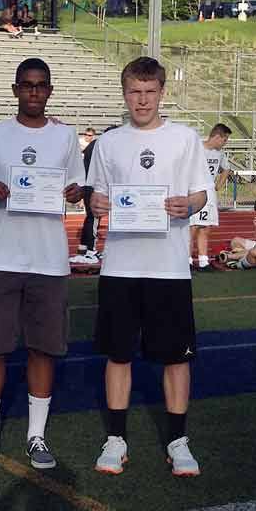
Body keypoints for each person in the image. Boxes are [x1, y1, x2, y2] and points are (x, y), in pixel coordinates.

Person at [0, 58, 84, 470]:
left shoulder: (66, 138)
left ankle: (36, 436)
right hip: (3, 259)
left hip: (49, 260)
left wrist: (73, 192)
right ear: (15, 89)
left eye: (41, 85)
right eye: (27, 85)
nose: (34, 92)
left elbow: (77, 189)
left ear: (50, 90)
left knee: (43, 350)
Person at [88, 57, 209, 477]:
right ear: (124, 93)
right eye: (134, 92)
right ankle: (116, 439)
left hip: (169, 267)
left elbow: (201, 194)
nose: (142, 100)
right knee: (118, 354)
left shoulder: (186, 138)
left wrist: (189, 204)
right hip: (120, 266)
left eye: (149, 92)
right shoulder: (109, 143)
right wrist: (95, 202)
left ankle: (178, 441)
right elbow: (96, 197)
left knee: (176, 358)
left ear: (161, 93)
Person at [70, 125, 119, 265]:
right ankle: (91, 251)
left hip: (88, 183)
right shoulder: (101, 145)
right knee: (94, 218)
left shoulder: (94, 144)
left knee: (90, 217)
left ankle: (83, 248)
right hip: (94, 185)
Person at [189, 123, 232, 271]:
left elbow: (226, 169)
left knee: (205, 227)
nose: (224, 143)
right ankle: (187, 261)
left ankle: (203, 261)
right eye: (224, 140)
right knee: (192, 227)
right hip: (194, 192)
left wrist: (218, 185)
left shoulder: (219, 154)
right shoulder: (196, 149)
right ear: (217, 136)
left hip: (209, 194)